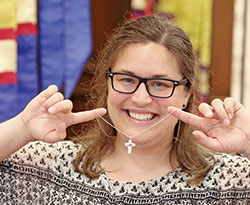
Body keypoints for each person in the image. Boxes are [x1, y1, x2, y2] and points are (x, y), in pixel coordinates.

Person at [0, 15, 249, 204]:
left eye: (160, 84)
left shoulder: (228, 180)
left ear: (186, 94)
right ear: (108, 83)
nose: (141, 98)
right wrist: (21, 127)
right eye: (127, 80)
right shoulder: (48, 166)